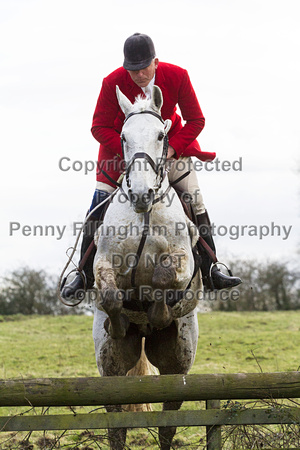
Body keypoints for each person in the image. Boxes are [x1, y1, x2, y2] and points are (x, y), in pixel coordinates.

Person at [61, 33, 241, 300]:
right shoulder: (112, 82)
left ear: (156, 62)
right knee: (98, 203)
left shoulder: (178, 76)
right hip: (120, 153)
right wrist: (131, 155)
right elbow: (98, 126)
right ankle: (83, 272)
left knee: (195, 199)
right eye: (133, 70)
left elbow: (196, 120)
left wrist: (171, 149)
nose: (139, 75)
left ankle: (211, 267)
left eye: (144, 68)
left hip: (169, 149)